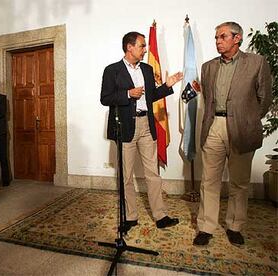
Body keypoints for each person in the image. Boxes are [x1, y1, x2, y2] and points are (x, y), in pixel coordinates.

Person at [193, 22, 272, 246]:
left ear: (237, 39)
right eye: (216, 37)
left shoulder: (257, 63)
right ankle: (206, 227)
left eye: (222, 37)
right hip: (214, 127)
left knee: (239, 182)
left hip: (242, 130)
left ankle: (235, 225)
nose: (218, 41)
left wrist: (248, 119)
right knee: (209, 181)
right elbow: (208, 99)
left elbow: (264, 98)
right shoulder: (208, 67)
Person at [100, 32, 183, 231]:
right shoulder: (112, 70)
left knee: (153, 173)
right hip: (126, 127)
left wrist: (167, 86)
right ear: (129, 47)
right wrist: (128, 94)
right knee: (126, 175)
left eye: (145, 46)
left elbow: (152, 95)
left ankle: (160, 216)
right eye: (141, 46)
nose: (145, 50)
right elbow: (105, 98)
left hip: (147, 125)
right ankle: (130, 217)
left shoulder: (146, 69)